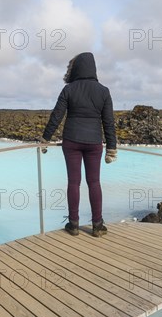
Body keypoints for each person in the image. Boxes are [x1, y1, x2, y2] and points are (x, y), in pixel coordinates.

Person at [40, 52, 117, 237]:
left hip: (71, 140)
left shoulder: (69, 89)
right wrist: (111, 147)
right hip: (94, 143)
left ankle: (73, 224)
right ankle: (97, 225)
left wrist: (45, 138)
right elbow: (109, 122)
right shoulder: (104, 91)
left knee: (73, 182)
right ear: (93, 68)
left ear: (76, 68)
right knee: (94, 182)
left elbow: (56, 115)